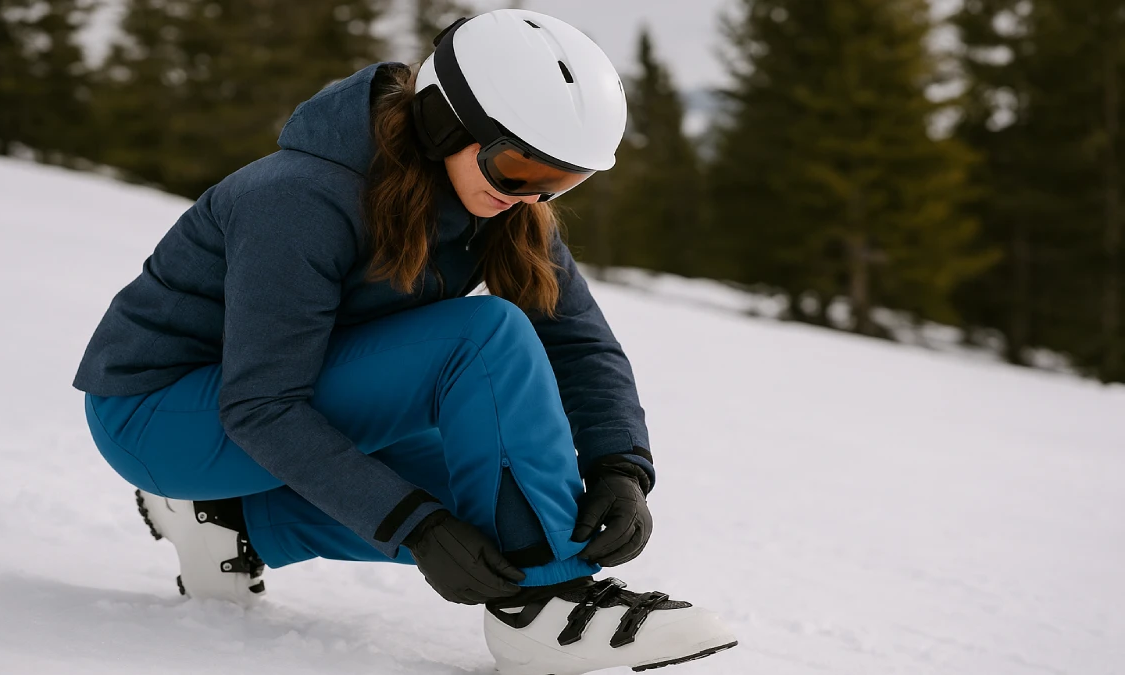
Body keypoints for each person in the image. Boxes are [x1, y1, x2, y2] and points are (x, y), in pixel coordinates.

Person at [74, 9, 736, 675]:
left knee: (506, 488)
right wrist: (411, 525)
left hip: (267, 402)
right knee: (482, 338)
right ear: (442, 121)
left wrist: (621, 466)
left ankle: (235, 525)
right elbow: (262, 404)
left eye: (561, 179)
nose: (533, 194)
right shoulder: (299, 199)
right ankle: (544, 612)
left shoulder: (503, 205)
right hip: (160, 412)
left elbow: (580, 344)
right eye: (519, 165)